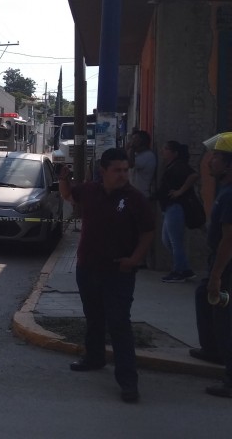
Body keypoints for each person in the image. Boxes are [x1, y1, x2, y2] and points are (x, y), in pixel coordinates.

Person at [58, 148, 155, 404]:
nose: (123, 175)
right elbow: (68, 195)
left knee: (119, 324)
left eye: (125, 170)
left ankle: (128, 381)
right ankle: (94, 358)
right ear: (104, 172)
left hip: (119, 273)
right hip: (88, 268)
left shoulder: (135, 199)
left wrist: (134, 259)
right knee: (94, 317)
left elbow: (147, 233)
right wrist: (63, 179)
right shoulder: (89, 190)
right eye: (117, 170)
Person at [189, 132, 232, 397]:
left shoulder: (229, 195)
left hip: (226, 267)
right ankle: (213, 350)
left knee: (225, 320)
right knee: (202, 296)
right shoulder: (223, 191)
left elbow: (229, 239)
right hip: (218, 263)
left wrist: (217, 275)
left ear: (229, 165)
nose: (210, 161)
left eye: (216, 157)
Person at [156, 141, 200, 282]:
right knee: (167, 240)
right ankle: (184, 268)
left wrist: (180, 191)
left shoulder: (179, 165)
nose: (163, 151)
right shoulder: (171, 166)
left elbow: (194, 175)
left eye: (166, 149)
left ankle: (179, 271)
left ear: (175, 153)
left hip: (176, 207)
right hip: (169, 207)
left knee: (175, 241)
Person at [127, 130, 156, 198]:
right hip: (134, 195)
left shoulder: (148, 156)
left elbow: (130, 164)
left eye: (134, 139)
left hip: (141, 196)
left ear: (141, 141)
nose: (132, 141)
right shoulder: (138, 154)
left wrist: (131, 148)